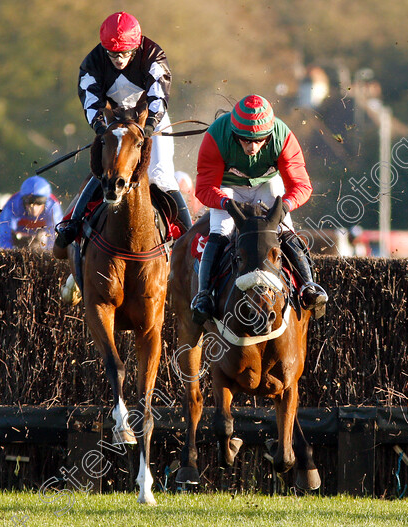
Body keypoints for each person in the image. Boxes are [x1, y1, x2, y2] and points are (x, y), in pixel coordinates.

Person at [54, 11, 192, 248]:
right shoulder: (92, 62)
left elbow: (158, 95)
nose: (118, 60)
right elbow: (90, 100)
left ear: (136, 47)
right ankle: (73, 225)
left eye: (125, 54)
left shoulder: (153, 54)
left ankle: (189, 236)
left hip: (150, 119)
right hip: (113, 122)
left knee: (161, 175)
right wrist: (99, 127)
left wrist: (149, 127)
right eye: (113, 54)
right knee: (104, 173)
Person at [191, 94, 329, 324]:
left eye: (258, 140)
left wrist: (285, 206)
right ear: (235, 133)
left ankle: (308, 286)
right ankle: (204, 294)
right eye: (245, 140)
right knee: (221, 229)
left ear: (269, 135)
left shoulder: (283, 136)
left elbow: (301, 185)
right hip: (227, 187)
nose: (251, 147)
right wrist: (225, 203)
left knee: (284, 229)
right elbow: (205, 188)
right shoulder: (216, 135)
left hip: (266, 184)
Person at [0, 176, 63, 250]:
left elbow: (56, 235)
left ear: (46, 201)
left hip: (41, 236)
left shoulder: (53, 206)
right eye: (29, 201)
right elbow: (4, 234)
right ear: (23, 200)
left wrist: (50, 254)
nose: (33, 207)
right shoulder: (12, 204)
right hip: (19, 237)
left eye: (39, 202)